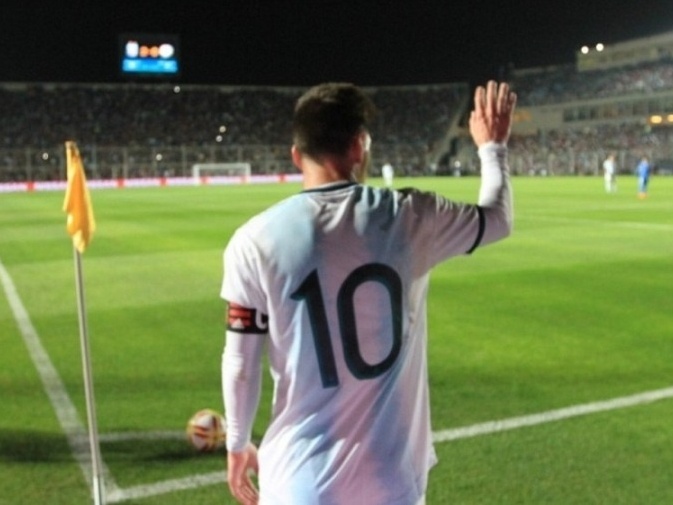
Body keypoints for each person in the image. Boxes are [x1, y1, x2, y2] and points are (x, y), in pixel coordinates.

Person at [220, 80, 517, 505]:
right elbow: (498, 219)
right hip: (391, 482)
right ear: (359, 146)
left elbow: (240, 364)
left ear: (296, 155)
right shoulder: (410, 215)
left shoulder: (253, 240)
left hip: (295, 483)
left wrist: (236, 442)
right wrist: (492, 148)